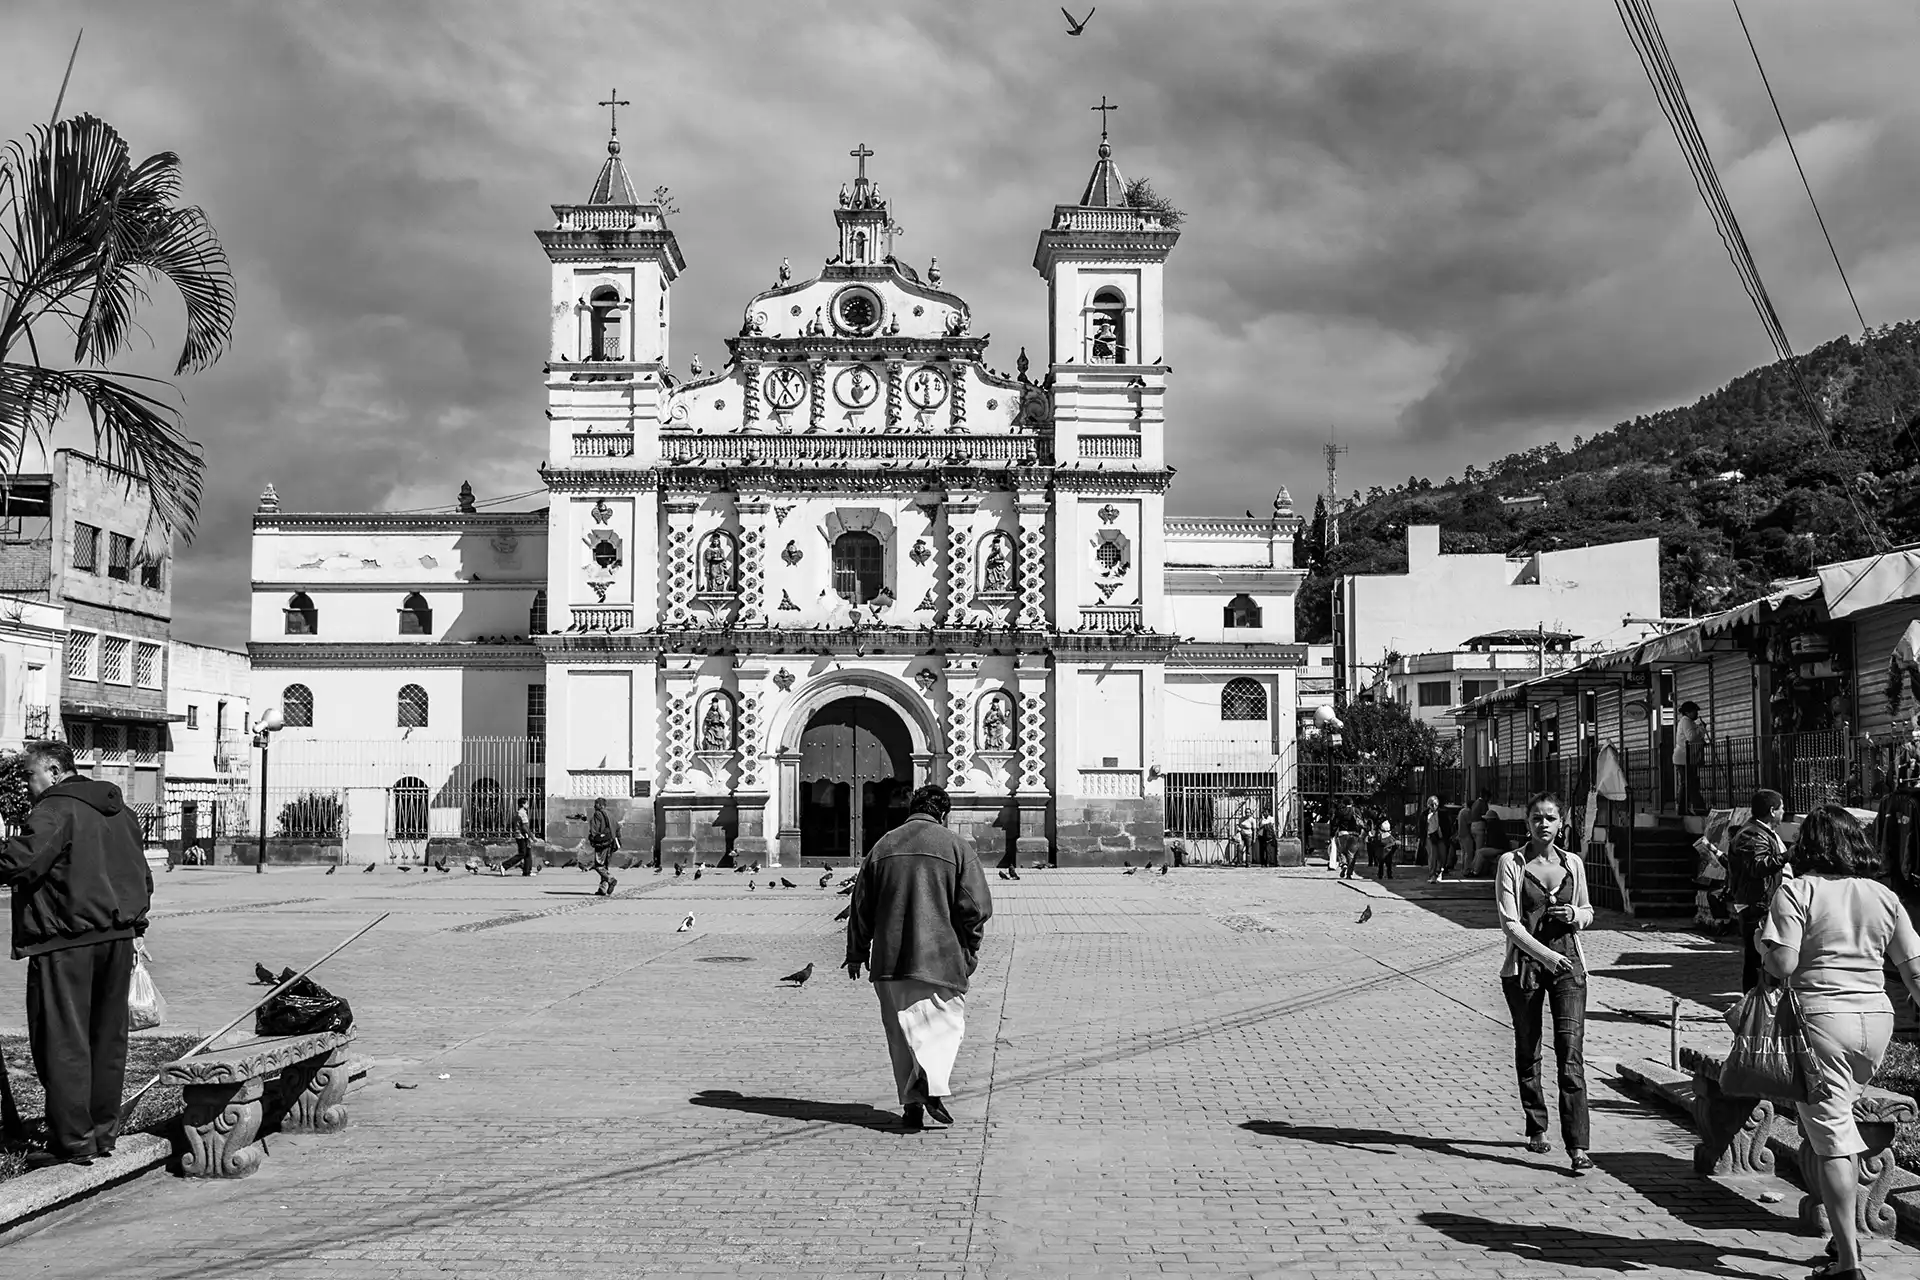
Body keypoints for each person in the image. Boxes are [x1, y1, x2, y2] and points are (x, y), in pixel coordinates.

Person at [1758, 805, 1920, 1280]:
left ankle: (1849, 1263)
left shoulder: (1797, 890)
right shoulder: (1883, 896)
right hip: (1875, 1022)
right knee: (1840, 1124)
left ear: (1809, 843)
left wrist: (1761, 945)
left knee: (1830, 1138)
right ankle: (1841, 1238)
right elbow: (1913, 969)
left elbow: (1783, 965)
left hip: (1822, 1021)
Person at [0, 741, 152, 1168]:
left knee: (63, 1040)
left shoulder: (55, 809)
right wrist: (135, 927)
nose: (28, 785)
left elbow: (22, 861)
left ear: (52, 770)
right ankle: (103, 1133)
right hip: (117, 939)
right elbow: (141, 874)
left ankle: (73, 1141)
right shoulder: (121, 812)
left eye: (30, 775)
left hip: (66, 941)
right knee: (106, 1039)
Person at [844, 784, 992, 1131]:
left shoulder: (884, 845)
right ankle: (928, 1085)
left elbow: (860, 906)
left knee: (900, 1036)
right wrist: (969, 948)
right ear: (944, 814)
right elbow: (976, 906)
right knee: (945, 1026)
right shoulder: (956, 847)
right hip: (939, 958)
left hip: (890, 961)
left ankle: (912, 1105)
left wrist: (856, 952)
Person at [1495, 790, 1594, 1175]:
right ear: (1528, 824)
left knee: (1571, 1055)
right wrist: (1546, 956)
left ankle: (1578, 1145)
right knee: (1529, 1046)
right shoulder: (1512, 863)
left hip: (1570, 967)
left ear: (1561, 822)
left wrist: (1575, 914)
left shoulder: (1573, 864)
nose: (1544, 824)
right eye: (1537, 817)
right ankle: (1537, 1124)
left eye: (1551, 817)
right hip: (1526, 969)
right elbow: (1510, 923)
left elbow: (1587, 910)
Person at [1726, 789, 1789, 991]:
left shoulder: (1763, 833)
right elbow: (1758, 866)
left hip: (1764, 902)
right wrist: (1789, 856)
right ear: (1772, 811)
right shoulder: (1752, 834)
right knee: (1757, 960)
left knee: (1761, 959)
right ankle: (1754, 1008)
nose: (1783, 813)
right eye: (1782, 809)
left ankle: (1760, 1005)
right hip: (1757, 904)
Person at [1673, 701, 1708, 815]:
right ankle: (1699, 808)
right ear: (1688, 712)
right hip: (1684, 758)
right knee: (1690, 783)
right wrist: (1702, 728)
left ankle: (1683, 809)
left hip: (1687, 758)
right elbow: (1691, 737)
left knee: (1687, 783)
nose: (1696, 713)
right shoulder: (1686, 721)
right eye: (1695, 711)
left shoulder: (1688, 722)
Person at [586, 798, 618, 896]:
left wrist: (592, 838)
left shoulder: (598, 814)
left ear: (600, 805)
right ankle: (602, 889)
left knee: (598, 866)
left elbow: (594, 829)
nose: (594, 806)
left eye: (595, 804)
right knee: (605, 866)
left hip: (602, 844)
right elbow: (618, 828)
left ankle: (611, 879)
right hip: (611, 843)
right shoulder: (611, 814)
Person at [501, 799, 537, 876]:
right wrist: (532, 836)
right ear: (523, 804)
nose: (528, 805)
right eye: (527, 803)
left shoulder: (519, 812)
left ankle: (527, 871)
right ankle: (504, 865)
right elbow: (525, 827)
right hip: (522, 836)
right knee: (522, 853)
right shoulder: (522, 813)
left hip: (521, 835)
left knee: (527, 853)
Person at [1335, 803, 1362, 879]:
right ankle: (1349, 874)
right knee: (1352, 855)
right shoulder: (1356, 810)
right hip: (1354, 835)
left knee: (1341, 851)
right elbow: (1360, 822)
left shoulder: (1341, 811)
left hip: (1342, 834)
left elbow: (1335, 822)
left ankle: (1344, 864)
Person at [1424, 796, 1447, 881]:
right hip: (1430, 837)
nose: (1433, 806)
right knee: (1432, 856)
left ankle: (1439, 871)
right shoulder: (1425, 814)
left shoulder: (1442, 813)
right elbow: (1422, 827)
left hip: (1440, 837)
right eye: (1431, 804)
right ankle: (1432, 874)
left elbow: (1447, 825)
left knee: (1442, 855)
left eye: (1435, 804)